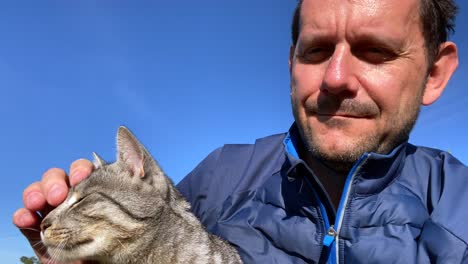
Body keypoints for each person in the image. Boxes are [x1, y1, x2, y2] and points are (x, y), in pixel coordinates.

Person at [14, 0, 467, 263]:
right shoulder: (221, 175)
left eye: (375, 51)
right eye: (315, 50)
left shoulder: (457, 207)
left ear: (434, 74)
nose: (335, 78)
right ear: (291, 63)